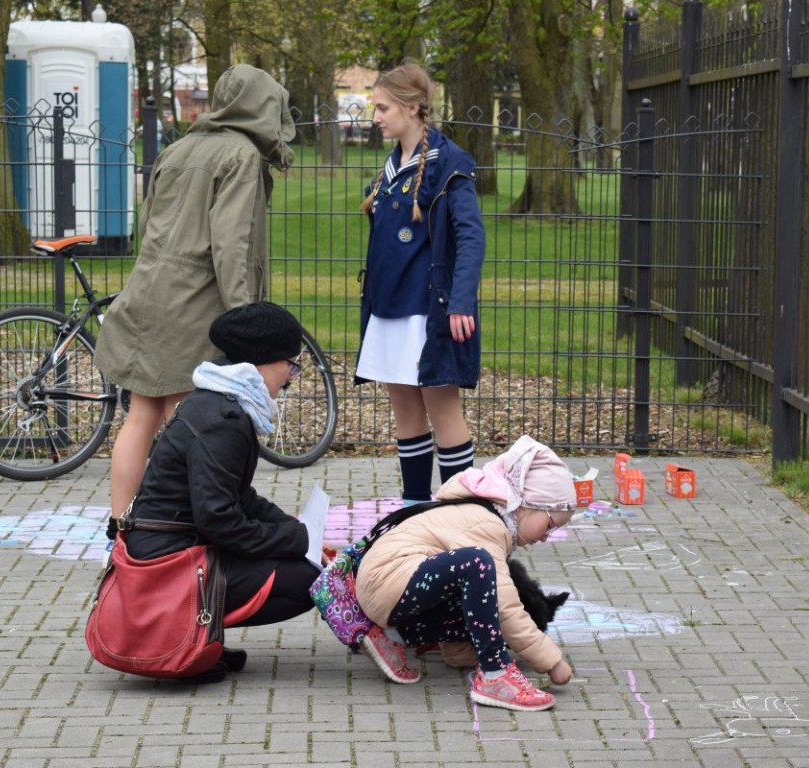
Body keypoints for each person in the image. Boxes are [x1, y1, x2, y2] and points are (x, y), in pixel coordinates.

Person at [95, 64, 295, 519]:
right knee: (190, 422)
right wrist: (245, 320)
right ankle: (181, 530)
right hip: (196, 304)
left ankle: (123, 525)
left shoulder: (180, 146)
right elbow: (231, 246)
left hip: (148, 292)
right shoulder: (241, 156)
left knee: (141, 416)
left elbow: (145, 224)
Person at [119, 302, 323, 683]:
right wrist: (295, 540)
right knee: (306, 581)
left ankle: (198, 635)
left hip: (172, 547)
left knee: (303, 562)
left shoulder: (217, 402)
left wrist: (297, 530)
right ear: (263, 363)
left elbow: (238, 497)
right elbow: (218, 518)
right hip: (167, 563)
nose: (291, 377)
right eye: (290, 365)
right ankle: (186, 633)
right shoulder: (224, 420)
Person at [354, 435, 577, 712]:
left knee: (478, 591)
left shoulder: (491, 520)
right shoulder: (486, 524)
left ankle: (391, 636)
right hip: (389, 581)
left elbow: (478, 608)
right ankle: (496, 676)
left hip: (392, 587)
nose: (546, 537)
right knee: (479, 564)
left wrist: (463, 653)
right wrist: (551, 662)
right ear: (526, 504)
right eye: (549, 525)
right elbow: (504, 607)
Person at [355, 61, 486, 506]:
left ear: (412, 108)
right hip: (389, 307)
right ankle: (415, 508)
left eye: (382, 108)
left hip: (431, 311)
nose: (375, 117)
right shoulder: (393, 165)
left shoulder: (449, 163)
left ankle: (461, 511)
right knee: (405, 411)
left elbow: (470, 236)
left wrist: (461, 301)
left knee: (443, 411)